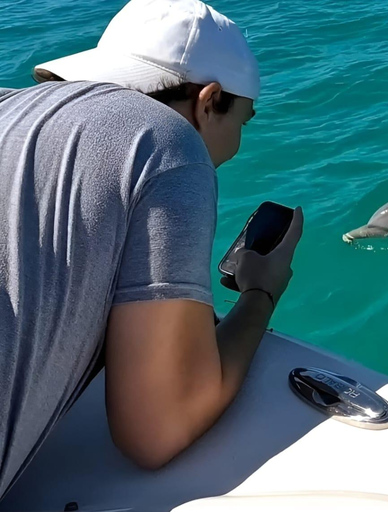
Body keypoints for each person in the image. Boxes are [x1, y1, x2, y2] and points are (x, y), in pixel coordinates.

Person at [0, 0, 303, 498]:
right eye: (242, 123)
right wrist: (259, 294)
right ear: (208, 101)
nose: (237, 146)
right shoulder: (165, 140)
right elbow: (156, 430)